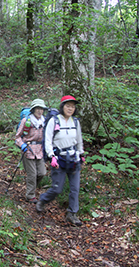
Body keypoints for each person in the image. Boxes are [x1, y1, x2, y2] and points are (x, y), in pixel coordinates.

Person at [36, 95, 85, 226]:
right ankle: (43, 199)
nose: (70, 109)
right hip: (59, 159)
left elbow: (79, 140)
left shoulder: (75, 122)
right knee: (57, 189)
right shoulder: (54, 120)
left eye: (73, 107)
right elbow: (47, 140)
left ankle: (72, 213)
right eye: (68, 106)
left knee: (75, 188)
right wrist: (51, 156)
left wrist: (81, 153)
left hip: (74, 158)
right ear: (62, 107)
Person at [15, 99, 48, 204]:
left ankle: (32, 187)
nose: (39, 111)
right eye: (37, 108)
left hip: (40, 150)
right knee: (32, 174)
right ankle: (30, 196)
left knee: (42, 173)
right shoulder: (26, 121)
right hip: (28, 150)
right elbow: (18, 137)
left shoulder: (45, 121)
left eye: (41, 109)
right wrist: (22, 145)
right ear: (33, 110)